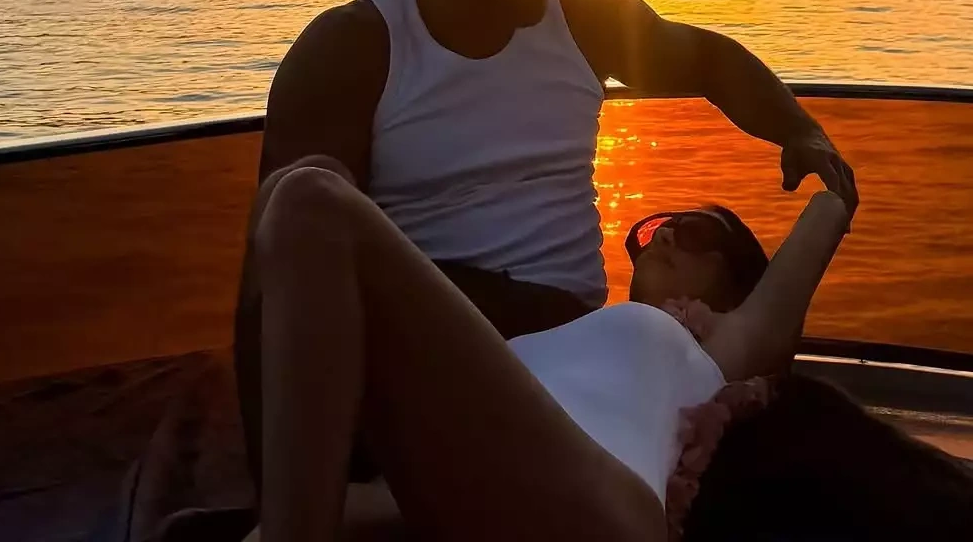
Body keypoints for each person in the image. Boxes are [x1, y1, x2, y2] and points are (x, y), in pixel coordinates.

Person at [239, 0, 857, 482]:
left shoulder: (585, 20)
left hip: (572, 334)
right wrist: (274, 478)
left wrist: (798, 129)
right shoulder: (353, 50)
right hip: (429, 334)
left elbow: (709, 60)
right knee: (305, 201)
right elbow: (281, 272)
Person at [243, 157, 855, 542]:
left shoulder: (722, 346)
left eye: (692, 232)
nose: (665, 233)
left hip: (602, 508)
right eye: (652, 229)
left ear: (735, 283)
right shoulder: (574, 331)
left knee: (309, 201)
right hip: (480, 488)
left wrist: (814, 160)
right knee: (289, 189)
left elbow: (827, 215)